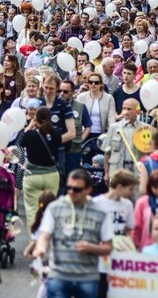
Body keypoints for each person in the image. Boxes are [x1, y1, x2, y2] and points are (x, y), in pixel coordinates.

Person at [32, 169, 113, 298]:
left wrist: (91, 247)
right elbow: (45, 235)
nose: (71, 192)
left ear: (89, 189)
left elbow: (108, 247)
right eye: (69, 187)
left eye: (77, 189)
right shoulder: (55, 208)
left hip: (88, 277)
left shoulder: (101, 213)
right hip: (59, 275)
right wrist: (41, 248)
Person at [92, 169, 137, 298]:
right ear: (120, 187)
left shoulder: (127, 205)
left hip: (117, 255)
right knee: (100, 290)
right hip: (99, 255)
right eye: (130, 189)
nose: (132, 193)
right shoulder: (97, 203)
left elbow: (129, 229)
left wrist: (128, 245)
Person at [22, 107, 62, 230]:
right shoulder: (56, 134)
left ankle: (34, 240)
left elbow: (21, 142)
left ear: (36, 119)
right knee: (50, 209)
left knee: (32, 210)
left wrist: (30, 126)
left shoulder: (30, 135)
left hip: (32, 175)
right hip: (51, 174)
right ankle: (48, 238)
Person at [103, 98, 147, 183]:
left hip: (137, 172)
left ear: (137, 111)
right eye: (124, 108)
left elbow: (150, 155)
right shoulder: (114, 128)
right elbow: (107, 153)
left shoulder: (145, 129)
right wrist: (107, 173)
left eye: (129, 109)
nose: (125, 111)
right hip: (117, 171)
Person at [77, 73, 116, 142]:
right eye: (90, 82)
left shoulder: (109, 98)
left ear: (101, 84)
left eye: (96, 82)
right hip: (84, 134)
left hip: (103, 135)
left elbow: (111, 117)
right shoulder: (81, 97)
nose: (93, 84)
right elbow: (77, 117)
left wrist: (111, 134)